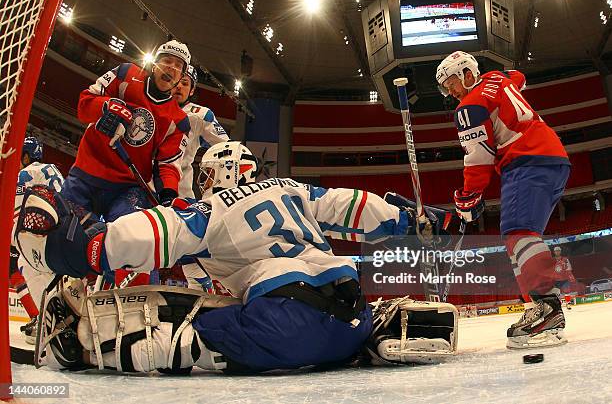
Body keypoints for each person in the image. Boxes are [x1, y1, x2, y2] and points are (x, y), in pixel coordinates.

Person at [14, 141, 455, 373]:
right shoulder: (293, 188)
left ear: (220, 173)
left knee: (180, 323)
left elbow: (156, 231)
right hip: (350, 311)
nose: (202, 179)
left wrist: (94, 244)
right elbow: (353, 205)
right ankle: (371, 332)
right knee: (259, 305)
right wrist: (411, 220)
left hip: (284, 323)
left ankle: (84, 347)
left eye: (205, 172)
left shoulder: (214, 208)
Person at [436, 51, 571, 349]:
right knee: (521, 232)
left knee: (518, 231)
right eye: (446, 87)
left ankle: (547, 311)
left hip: (527, 160)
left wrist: (469, 195)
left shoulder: (469, 105)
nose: (451, 91)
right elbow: (518, 77)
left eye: (453, 82)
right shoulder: (498, 78)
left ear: (468, 73)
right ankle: (545, 304)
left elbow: (479, 155)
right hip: (553, 157)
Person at [62, 39, 192, 287]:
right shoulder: (124, 75)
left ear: (181, 77)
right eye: (166, 60)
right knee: (62, 235)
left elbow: (167, 164)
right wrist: (105, 108)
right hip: (85, 175)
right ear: (154, 63)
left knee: (133, 241)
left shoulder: (178, 121)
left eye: (178, 66)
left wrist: (168, 196)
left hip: (126, 189)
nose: (171, 68)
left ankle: (137, 313)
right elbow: (83, 105)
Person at [11, 137, 64, 343]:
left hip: (42, 235)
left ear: (26, 155)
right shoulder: (53, 169)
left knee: (24, 263)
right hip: (68, 232)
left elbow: (17, 216)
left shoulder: (25, 174)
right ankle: (50, 319)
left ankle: (45, 321)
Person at [172, 64, 229, 199]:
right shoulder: (150, 106)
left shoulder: (200, 115)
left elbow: (228, 148)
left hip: (179, 194)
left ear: (192, 90)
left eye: (185, 83)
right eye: (176, 81)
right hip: (143, 187)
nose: (179, 86)